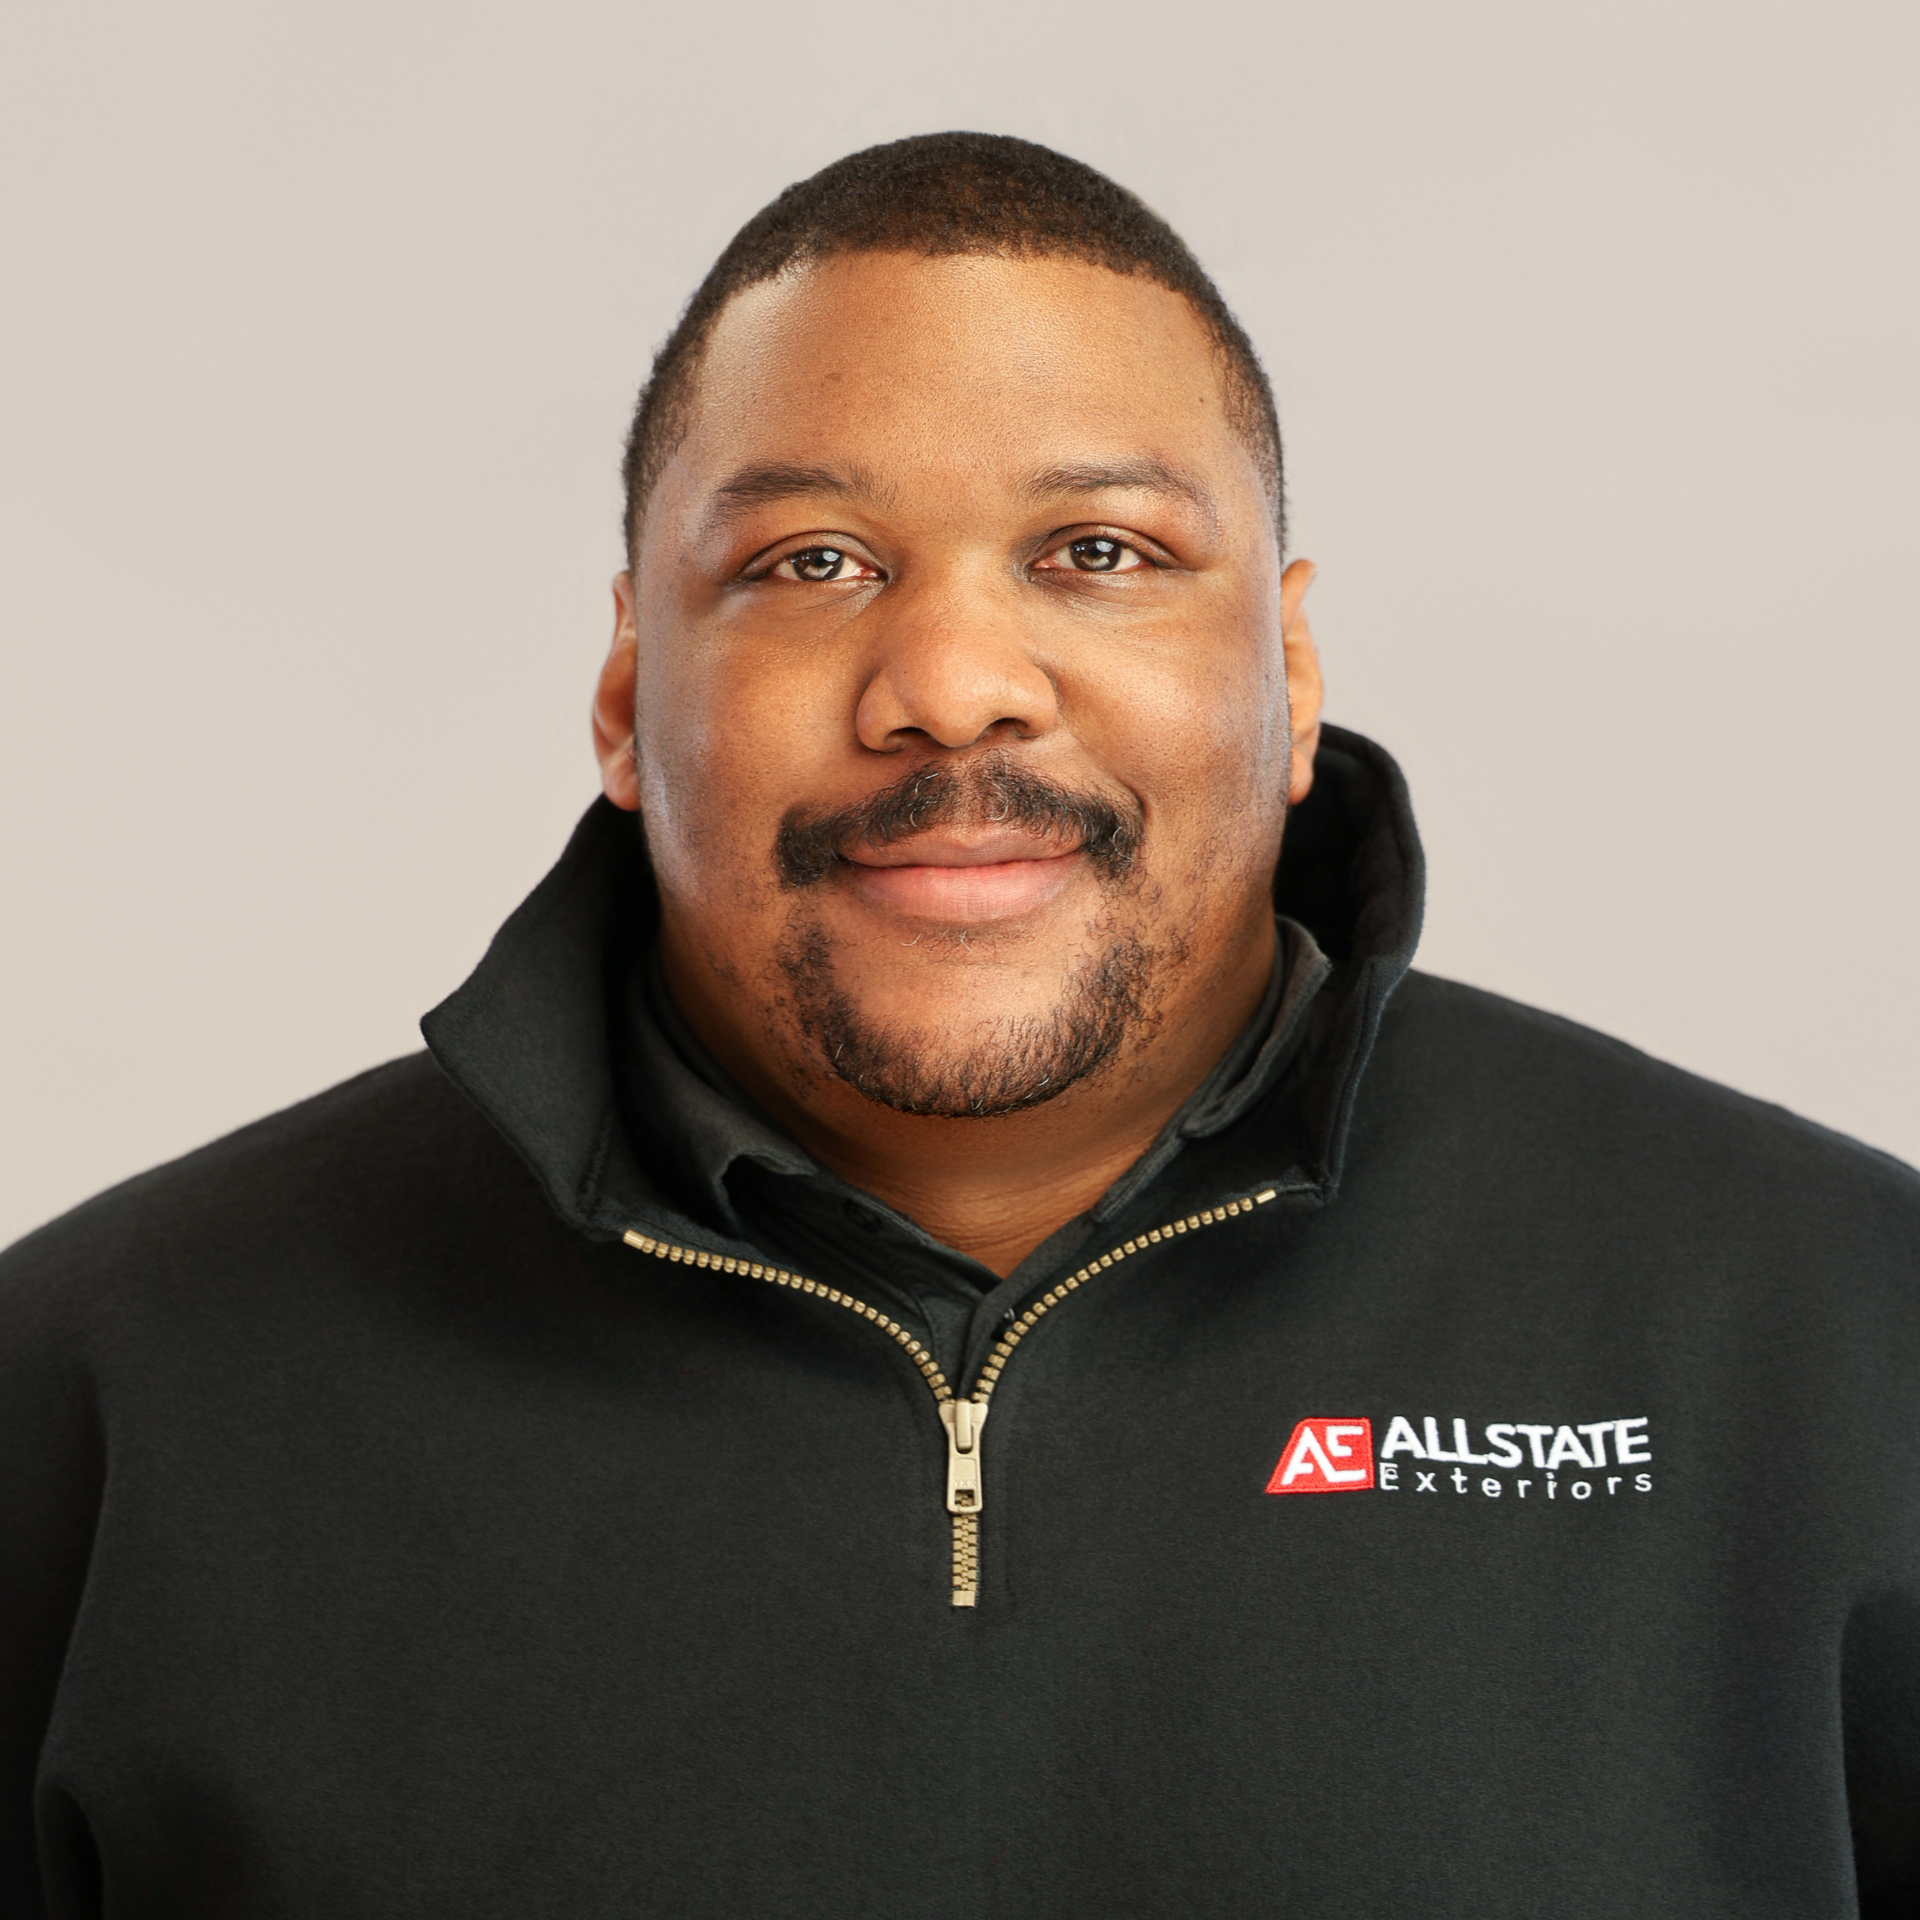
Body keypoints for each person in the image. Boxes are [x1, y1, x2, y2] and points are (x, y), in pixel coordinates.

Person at [2, 131, 1916, 1919]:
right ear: (620, 692)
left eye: (1098, 551)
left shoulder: (1847, 1331)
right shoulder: (90, 1402)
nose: (953, 687)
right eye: (808, 565)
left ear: (1293, 662)